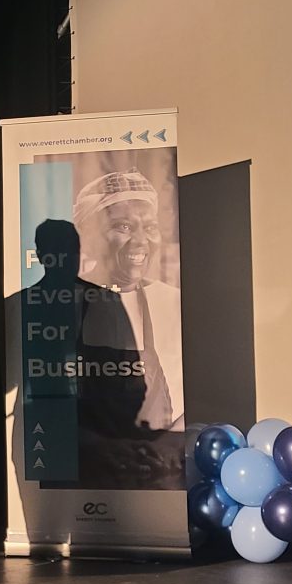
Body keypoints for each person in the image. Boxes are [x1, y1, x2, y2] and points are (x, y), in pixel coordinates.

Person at [71, 168, 185, 488]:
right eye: (122, 226)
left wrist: (166, 445)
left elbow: (200, 390)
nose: (140, 240)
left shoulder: (173, 302)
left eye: (149, 227)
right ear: (88, 235)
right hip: (86, 476)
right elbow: (46, 403)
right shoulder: (64, 303)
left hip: (160, 472)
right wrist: (98, 446)